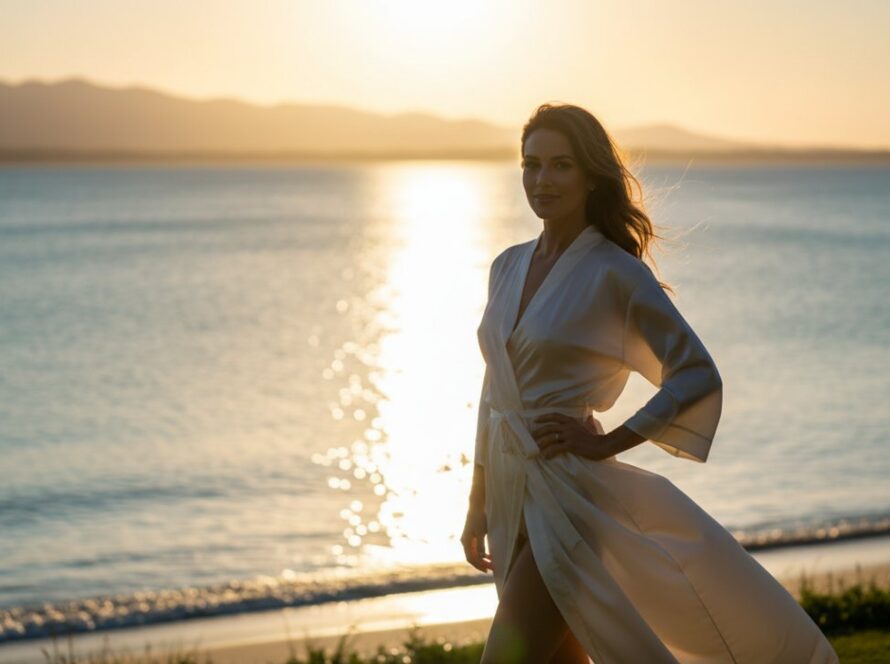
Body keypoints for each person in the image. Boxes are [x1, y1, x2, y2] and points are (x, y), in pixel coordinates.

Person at [460, 103, 839, 664]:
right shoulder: (506, 265)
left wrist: (608, 442)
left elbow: (695, 375)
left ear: (591, 175)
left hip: (569, 495)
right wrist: (477, 500)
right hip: (508, 495)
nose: (542, 180)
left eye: (560, 165)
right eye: (531, 164)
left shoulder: (615, 272)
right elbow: (495, 390)